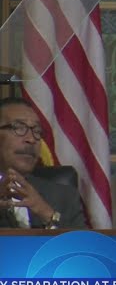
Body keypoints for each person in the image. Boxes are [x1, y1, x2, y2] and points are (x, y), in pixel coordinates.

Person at [0, 97, 86, 229]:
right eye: (19, 128)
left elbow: (80, 242)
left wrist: (47, 214)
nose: (31, 139)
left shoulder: (64, 197)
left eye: (37, 131)